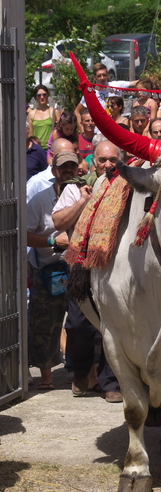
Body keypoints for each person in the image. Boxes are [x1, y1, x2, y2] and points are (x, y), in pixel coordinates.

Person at [52, 140, 123, 402]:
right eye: (102, 160)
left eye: (112, 160)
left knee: (112, 325)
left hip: (115, 267)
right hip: (82, 265)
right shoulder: (75, 188)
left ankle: (110, 382)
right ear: (93, 161)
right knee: (79, 325)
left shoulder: (127, 187)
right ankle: (80, 372)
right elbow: (58, 221)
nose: (107, 165)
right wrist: (84, 200)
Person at [27, 152, 77, 389]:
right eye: (63, 166)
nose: (68, 170)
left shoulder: (82, 193)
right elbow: (25, 235)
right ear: (54, 170)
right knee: (44, 325)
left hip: (77, 271)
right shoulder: (38, 198)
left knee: (79, 325)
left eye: (72, 166)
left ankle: (80, 373)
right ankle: (46, 377)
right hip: (47, 271)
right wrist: (52, 243)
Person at [74, 63, 139, 131]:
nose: (102, 78)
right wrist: (82, 131)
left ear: (108, 75)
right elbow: (77, 111)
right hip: (98, 132)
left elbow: (135, 83)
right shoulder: (90, 93)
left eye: (104, 75)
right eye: (99, 76)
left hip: (115, 130)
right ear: (94, 77)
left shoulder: (115, 86)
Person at [27, 84, 60, 151]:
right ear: (36, 98)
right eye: (39, 95)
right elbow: (30, 134)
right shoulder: (31, 114)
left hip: (50, 149)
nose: (42, 97)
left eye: (44, 95)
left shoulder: (54, 112)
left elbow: (60, 131)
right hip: (35, 149)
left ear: (47, 96)